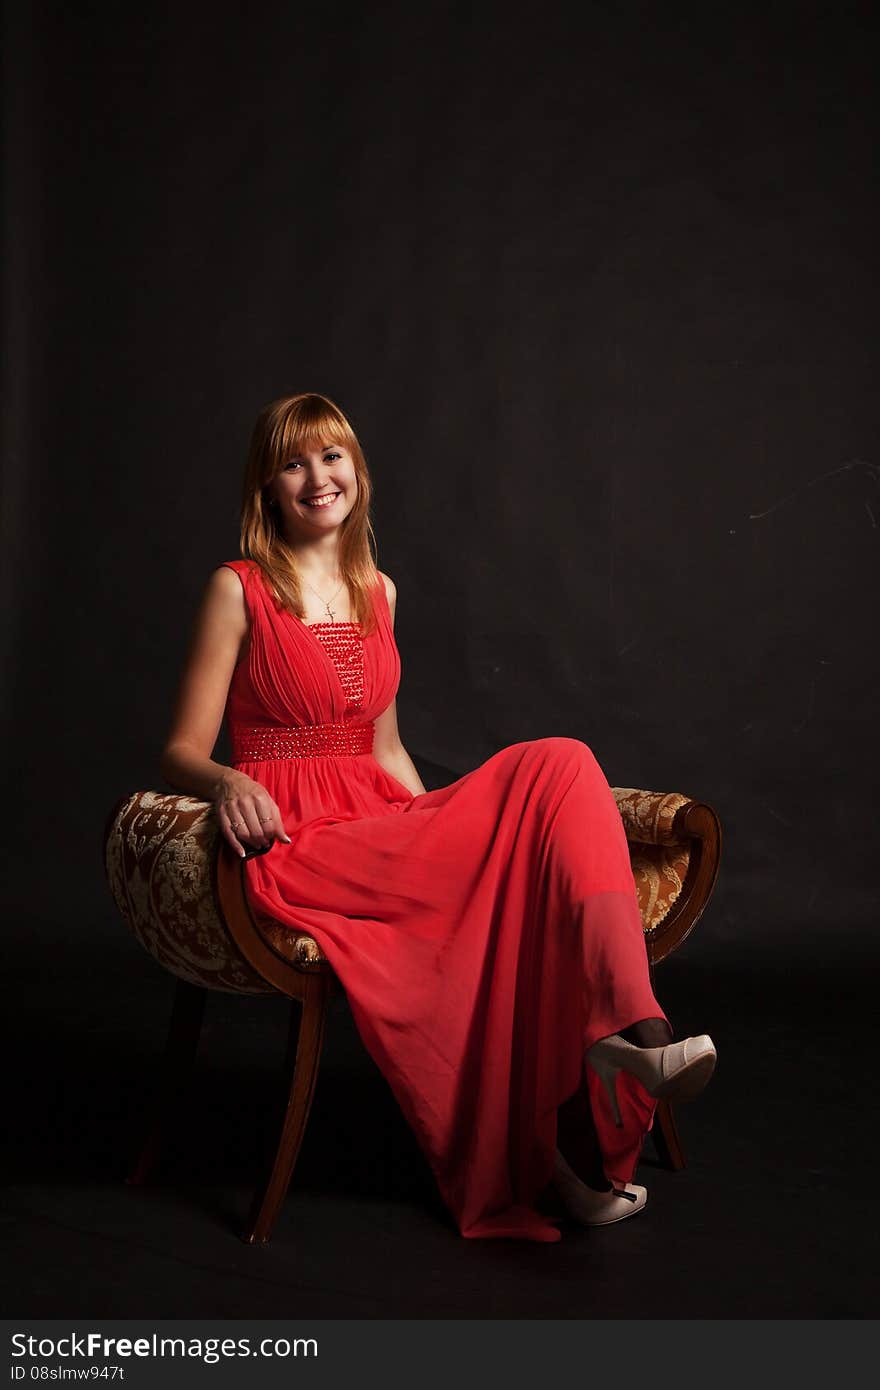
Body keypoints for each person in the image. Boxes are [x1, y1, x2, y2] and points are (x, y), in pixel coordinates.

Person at [160, 390, 717, 1242]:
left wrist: (441, 832)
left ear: (358, 471)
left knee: (562, 761)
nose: (319, 477)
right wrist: (229, 784)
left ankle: (629, 1039)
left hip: (379, 820)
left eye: (333, 456)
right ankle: (561, 1148)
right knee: (542, 797)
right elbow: (179, 751)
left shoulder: (379, 591)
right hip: (299, 838)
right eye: (295, 462)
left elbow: (382, 749)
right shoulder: (237, 589)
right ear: (268, 488)